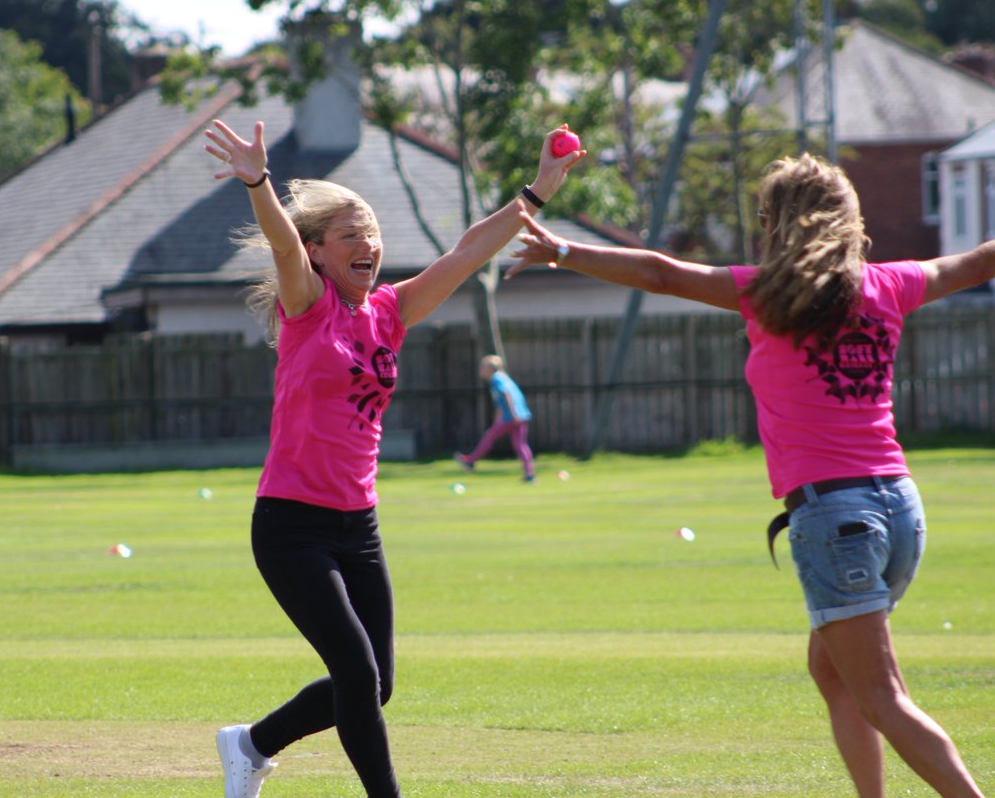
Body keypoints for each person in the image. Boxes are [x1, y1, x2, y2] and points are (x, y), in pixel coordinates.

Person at [508, 153, 991, 798]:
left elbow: (660, 271)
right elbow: (982, 261)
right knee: (833, 671)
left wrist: (563, 251)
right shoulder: (892, 283)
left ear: (776, 223)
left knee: (884, 694)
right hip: (901, 507)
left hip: (837, 517)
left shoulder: (764, 293)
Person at [202, 118, 582, 798]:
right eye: (350, 235)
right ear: (319, 252)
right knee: (355, 674)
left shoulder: (389, 311)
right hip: (291, 524)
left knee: (376, 684)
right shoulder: (307, 303)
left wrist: (540, 189)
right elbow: (282, 244)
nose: (368, 245)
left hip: (359, 527)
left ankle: (252, 743)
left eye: (372, 234)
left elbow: (468, 253)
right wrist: (258, 182)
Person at [454, 354, 536, 482]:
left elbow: (507, 395)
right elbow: (502, 402)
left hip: (511, 416)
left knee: (489, 436)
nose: (481, 370)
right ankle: (529, 474)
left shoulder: (497, 379)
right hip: (520, 415)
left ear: (490, 369)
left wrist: (513, 414)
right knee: (520, 444)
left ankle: (470, 461)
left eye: (483, 367)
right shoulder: (504, 378)